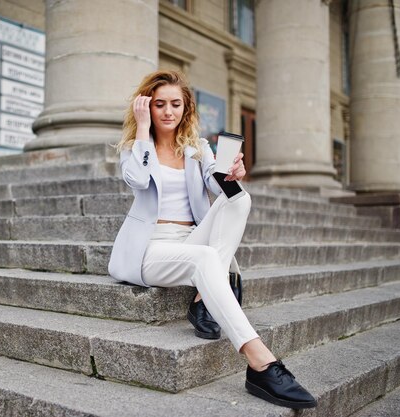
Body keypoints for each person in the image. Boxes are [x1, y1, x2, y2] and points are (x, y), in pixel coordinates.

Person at [108, 70, 317, 410]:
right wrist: (143, 129)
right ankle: (260, 361)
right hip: (150, 247)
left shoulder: (197, 149)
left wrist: (232, 176)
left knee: (240, 198)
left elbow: (218, 184)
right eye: (158, 104)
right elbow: (138, 181)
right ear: (145, 107)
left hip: (189, 238)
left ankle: (204, 295)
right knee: (205, 258)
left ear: (186, 108)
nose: (167, 111)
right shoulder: (134, 148)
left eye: (175, 104)